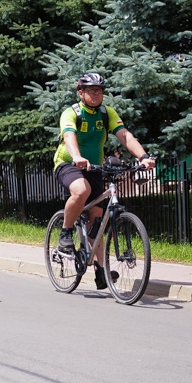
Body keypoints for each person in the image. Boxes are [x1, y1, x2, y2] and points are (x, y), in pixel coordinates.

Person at [53, 73, 155, 289]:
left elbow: (125, 135)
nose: (96, 93)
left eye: (99, 90)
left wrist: (143, 157)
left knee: (97, 219)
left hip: (95, 166)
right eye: (91, 90)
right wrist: (77, 157)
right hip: (68, 163)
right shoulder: (71, 113)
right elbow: (69, 136)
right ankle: (65, 233)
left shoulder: (106, 113)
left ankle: (101, 270)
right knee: (81, 190)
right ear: (80, 93)